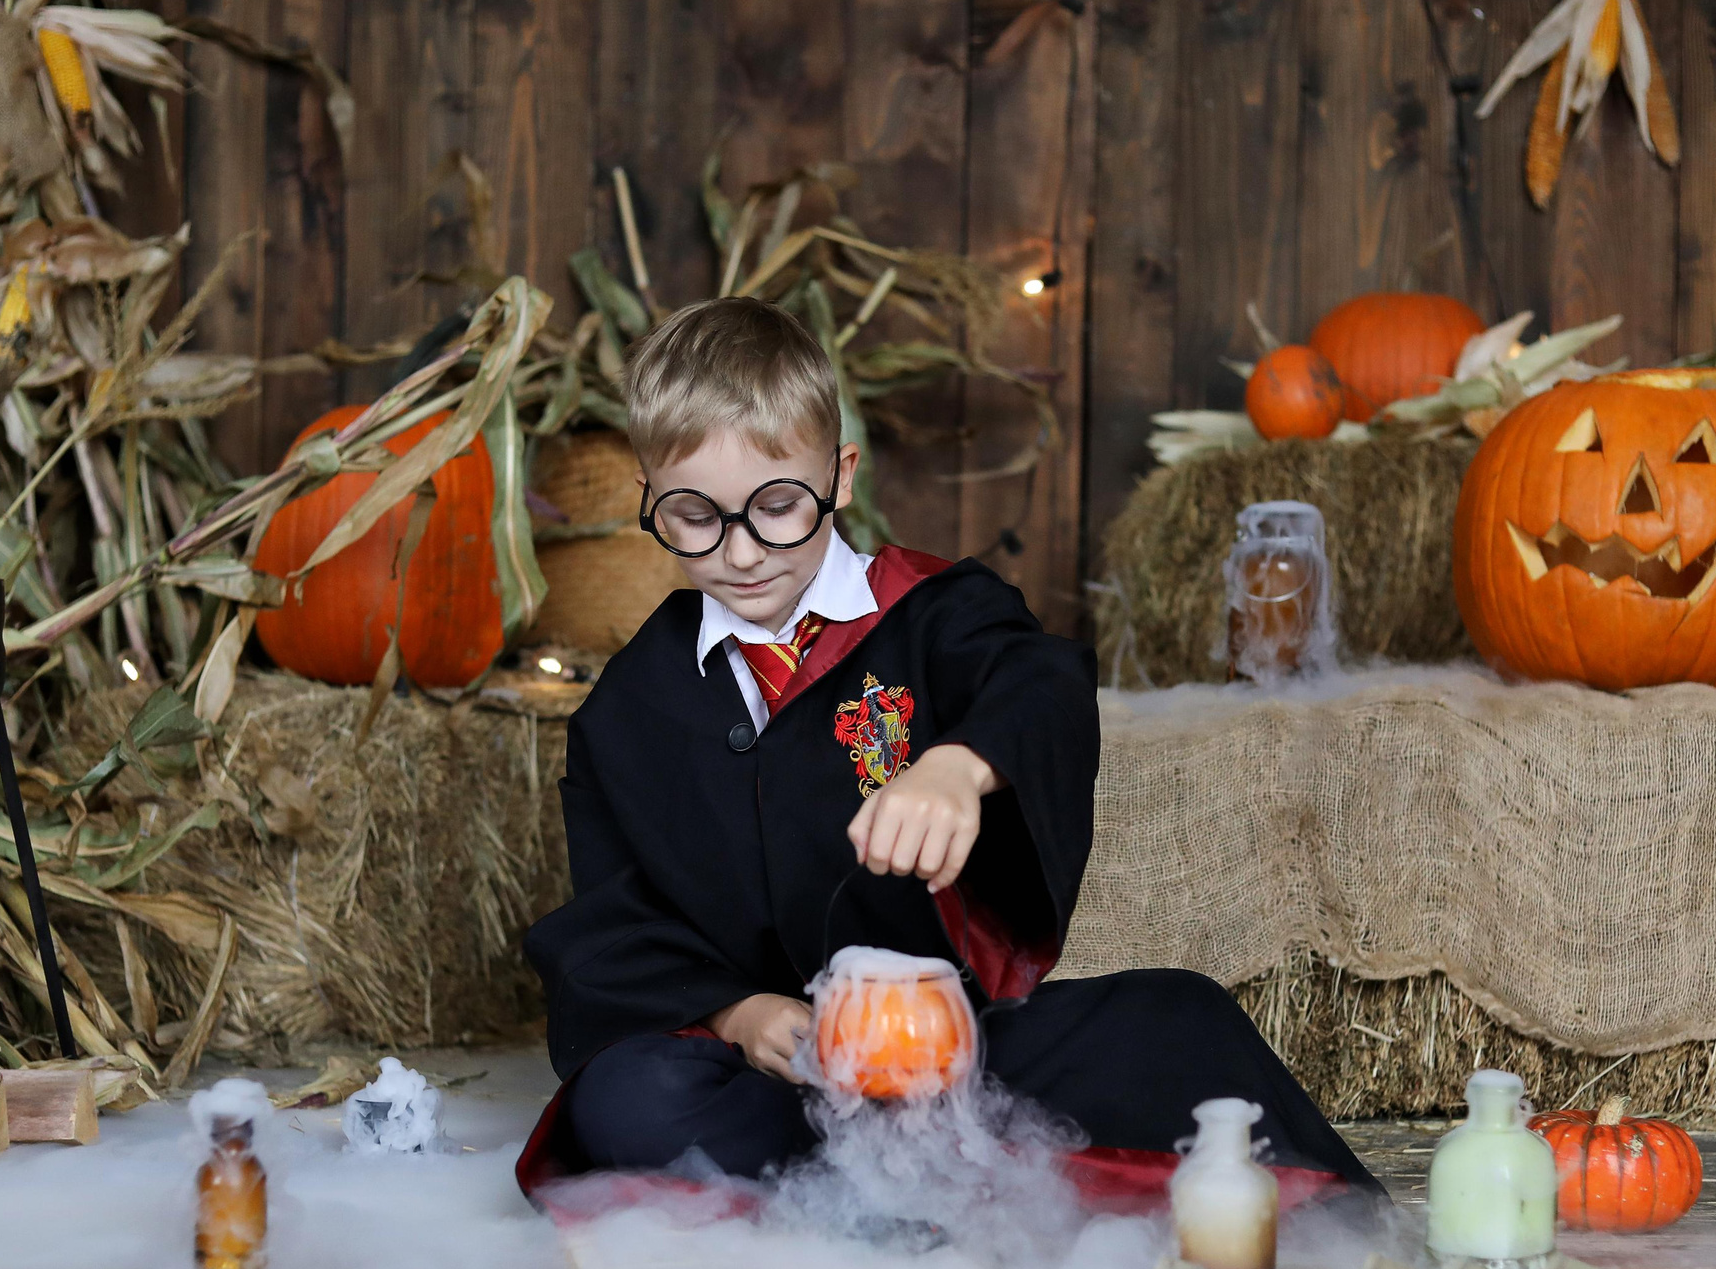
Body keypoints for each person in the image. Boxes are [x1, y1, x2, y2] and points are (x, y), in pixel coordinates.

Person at [515, 298, 1378, 1200]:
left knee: (1176, 1018)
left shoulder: (933, 613)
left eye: (778, 506)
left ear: (840, 476)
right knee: (624, 1100)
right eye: (696, 516)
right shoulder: (628, 709)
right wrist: (737, 1013)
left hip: (957, 1049)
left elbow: (1038, 682)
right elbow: (616, 922)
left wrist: (958, 767)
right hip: (778, 1078)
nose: (742, 552)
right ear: (649, 495)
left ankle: (883, 1172)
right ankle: (908, 1179)